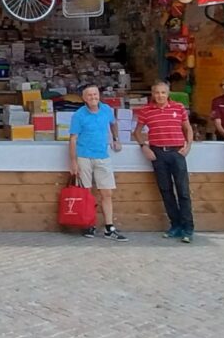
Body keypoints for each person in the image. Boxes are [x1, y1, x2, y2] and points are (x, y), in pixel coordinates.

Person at [132, 80, 195, 243]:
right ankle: (175, 225)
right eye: (156, 92)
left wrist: (188, 146)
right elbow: (137, 132)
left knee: (183, 191)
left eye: (163, 92)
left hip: (176, 152)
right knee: (166, 191)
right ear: (152, 94)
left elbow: (188, 128)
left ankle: (188, 228)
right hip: (158, 153)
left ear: (168, 94)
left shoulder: (179, 108)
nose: (160, 96)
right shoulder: (146, 111)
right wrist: (144, 147)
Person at [68, 85, 126, 241]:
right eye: (89, 95)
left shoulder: (107, 109)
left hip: (102, 156)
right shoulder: (79, 115)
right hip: (84, 156)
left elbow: (113, 124)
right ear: (84, 98)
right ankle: (89, 224)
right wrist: (73, 162)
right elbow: (73, 139)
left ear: (99, 95)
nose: (93, 97)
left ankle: (109, 227)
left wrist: (115, 139)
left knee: (107, 192)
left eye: (95, 94)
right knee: (86, 193)